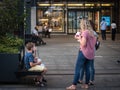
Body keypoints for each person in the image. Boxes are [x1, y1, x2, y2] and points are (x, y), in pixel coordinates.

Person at [66, 19, 96, 89]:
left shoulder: (85, 32)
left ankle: (74, 85)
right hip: (90, 53)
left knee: (78, 69)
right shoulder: (92, 33)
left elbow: (83, 43)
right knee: (87, 69)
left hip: (83, 52)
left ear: (83, 25)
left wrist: (79, 38)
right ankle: (86, 85)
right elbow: (93, 43)